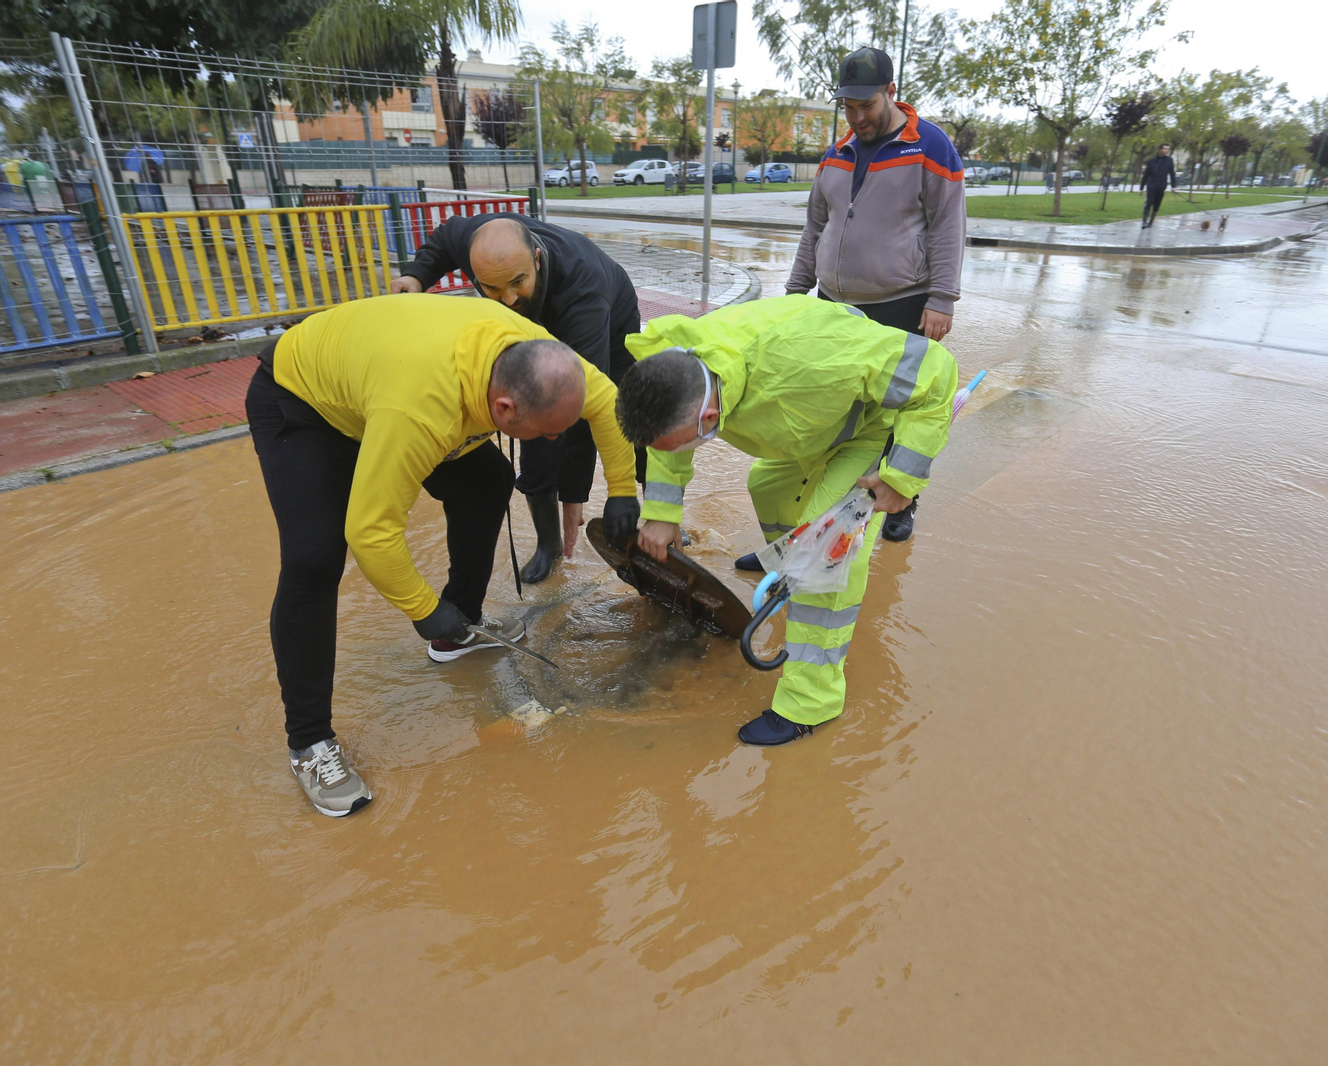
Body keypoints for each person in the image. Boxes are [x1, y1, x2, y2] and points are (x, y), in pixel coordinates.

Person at [247, 294, 640, 817]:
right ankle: (310, 744)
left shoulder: (538, 359)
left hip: (382, 382)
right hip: (304, 403)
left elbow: (608, 402)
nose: (554, 439)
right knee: (314, 558)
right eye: (545, 432)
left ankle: (458, 631)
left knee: (488, 481)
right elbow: (372, 532)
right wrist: (422, 607)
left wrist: (621, 491)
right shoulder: (421, 411)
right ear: (503, 409)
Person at [614, 294, 958, 747]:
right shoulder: (680, 366)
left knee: (826, 551)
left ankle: (810, 702)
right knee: (768, 488)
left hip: (869, 428)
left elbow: (936, 369)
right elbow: (669, 444)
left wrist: (901, 477)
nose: (674, 455)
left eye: (682, 445)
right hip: (810, 427)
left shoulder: (816, 358)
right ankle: (789, 565)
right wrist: (661, 514)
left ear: (711, 418)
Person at [391, 214, 641, 584]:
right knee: (531, 423)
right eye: (492, 289)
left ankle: (657, 514)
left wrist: (577, 493)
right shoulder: (478, 244)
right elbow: (444, 238)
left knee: (627, 415)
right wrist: (417, 275)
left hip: (608, 321)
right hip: (537, 329)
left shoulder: (585, 294)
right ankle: (548, 544)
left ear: (536, 259)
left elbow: (588, 406)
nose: (508, 300)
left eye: (517, 282)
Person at [784, 46, 966, 546]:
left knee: (898, 408)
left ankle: (901, 498)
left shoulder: (929, 146)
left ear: (891, 92)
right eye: (848, 106)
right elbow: (814, 229)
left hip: (901, 301)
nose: (857, 116)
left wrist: (942, 298)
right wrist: (794, 294)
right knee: (834, 409)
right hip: (835, 305)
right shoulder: (836, 154)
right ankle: (827, 504)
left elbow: (949, 227)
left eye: (865, 105)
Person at [1140, 144, 1179, 229]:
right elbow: (1146, 175)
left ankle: (1150, 222)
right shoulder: (1152, 161)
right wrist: (1141, 188)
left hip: (1161, 186)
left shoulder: (1169, 160)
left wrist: (1173, 186)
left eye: (1168, 149)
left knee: (1156, 205)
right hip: (1151, 185)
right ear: (1160, 150)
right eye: (1166, 149)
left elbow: (1172, 173)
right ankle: (1144, 222)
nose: (1167, 151)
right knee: (1148, 203)